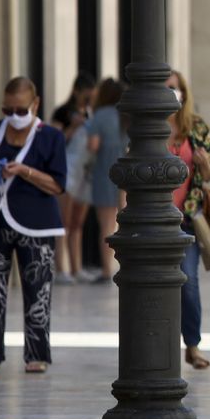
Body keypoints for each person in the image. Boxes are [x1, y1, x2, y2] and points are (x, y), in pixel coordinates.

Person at [0, 76, 68, 373]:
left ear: (35, 104)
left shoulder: (51, 137)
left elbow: (58, 185)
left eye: (21, 110)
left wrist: (25, 171)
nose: (14, 116)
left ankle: (36, 355)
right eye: (7, 110)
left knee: (38, 291)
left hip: (37, 225)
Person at [163, 68, 210, 370]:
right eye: (164, 87)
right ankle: (161, 345)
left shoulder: (196, 127)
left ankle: (193, 344)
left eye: (174, 87)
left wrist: (204, 165)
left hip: (187, 218)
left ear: (184, 92)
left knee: (188, 282)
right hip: (154, 219)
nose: (170, 92)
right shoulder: (147, 126)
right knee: (155, 285)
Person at [49, 73, 96, 285]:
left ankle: (76, 268)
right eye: (86, 96)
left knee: (77, 222)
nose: (88, 100)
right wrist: (73, 127)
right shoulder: (62, 112)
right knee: (63, 221)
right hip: (67, 170)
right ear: (76, 91)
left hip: (85, 173)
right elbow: (53, 140)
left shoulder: (91, 113)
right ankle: (61, 268)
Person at [83, 77, 128, 280]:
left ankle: (107, 269)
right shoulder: (128, 114)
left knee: (107, 224)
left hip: (104, 172)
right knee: (126, 220)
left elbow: (93, 146)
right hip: (127, 173)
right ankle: (127, 264)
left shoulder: (100, 115)